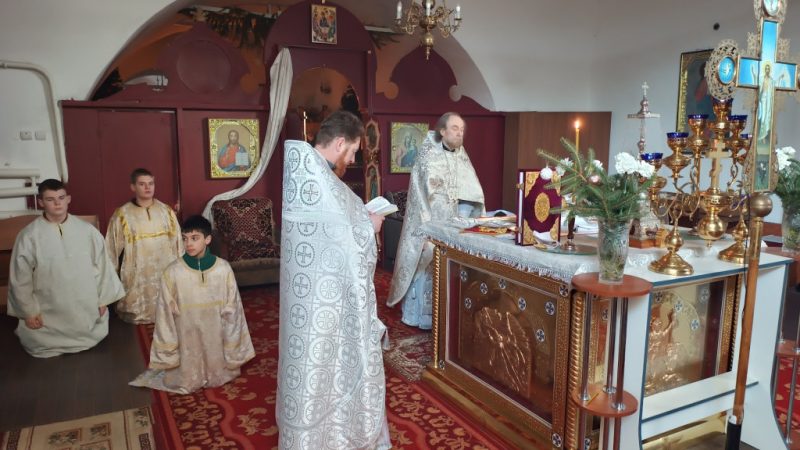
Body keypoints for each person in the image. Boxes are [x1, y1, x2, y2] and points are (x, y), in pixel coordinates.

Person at [276, 110, 390, 450]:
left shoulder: (307, 171)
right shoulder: (318, 179)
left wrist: (359, 220)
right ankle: (329, 436)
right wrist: (371, 227)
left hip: (308, 297)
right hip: (323, 298)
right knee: (325, 362)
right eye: (352, 151)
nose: (352, 160)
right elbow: (347, 240)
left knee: (316, 366)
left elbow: (333, 230)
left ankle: (314, 436)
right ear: (340, 143)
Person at [130, 215, 255, 394]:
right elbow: (165, 316)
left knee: (219, 373)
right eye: (185, 238)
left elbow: (233, 310)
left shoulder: (223, 269)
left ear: (207, 239)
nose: (188, 244)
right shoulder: (172, 272)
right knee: (184, 375)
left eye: (194, 238)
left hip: (215, 336)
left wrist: (233, 347)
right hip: (186, 338)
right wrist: (169, 353)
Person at [387, 112, 485, 329]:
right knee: (426, 267)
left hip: (455, 227)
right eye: (455, 128)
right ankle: (420, 317)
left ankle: (447, 317)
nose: (459, 133)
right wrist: (424, 231)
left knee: (452, 271)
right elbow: (419, 198)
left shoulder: (462, 157)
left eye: (462, 129)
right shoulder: (428, 156)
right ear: (442, 130)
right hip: (431, 225)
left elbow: (474, 192)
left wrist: (469, 215)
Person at [7, 179, 125, 358]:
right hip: (48, 308)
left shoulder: (87, 231)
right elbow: (20, 278)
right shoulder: (29, 236)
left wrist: (103, 300)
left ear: (68, 199)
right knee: (38, 336)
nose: (57, 203)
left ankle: (84, 335)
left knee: (91, 330)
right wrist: (28, 312)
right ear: (41, 202)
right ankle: (49, 341)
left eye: (61, 198)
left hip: (83, 306)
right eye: (50, 199)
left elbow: (103, 267)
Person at [106, 168, 182, 324]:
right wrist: (109, 281)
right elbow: (111, 248)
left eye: (151, 183)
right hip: (137, 270)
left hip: (165, 265)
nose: (148, 187)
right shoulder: (122, 214)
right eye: (142, 184)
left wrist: (182, 267)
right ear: (133, 187)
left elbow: (178, 241)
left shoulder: (166, 211)